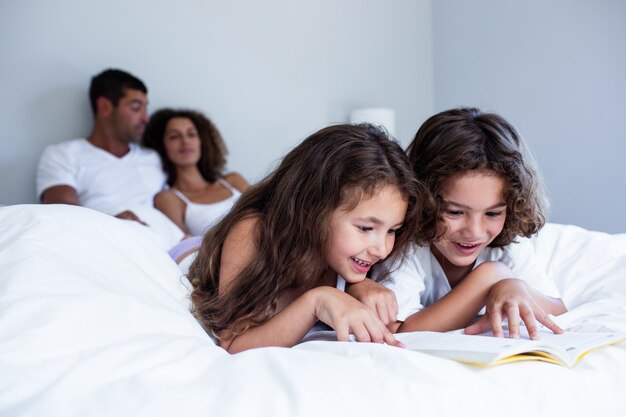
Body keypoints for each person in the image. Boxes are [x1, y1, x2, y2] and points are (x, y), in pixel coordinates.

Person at [187, 124, 436, 353]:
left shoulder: (355, 258)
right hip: (192, 253)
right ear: (312, 210)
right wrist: (317, 300)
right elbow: (233, 343)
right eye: (364, 228)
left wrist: (356, 286)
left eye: (392, 230)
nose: (382, 250)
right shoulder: (253, 233)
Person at [348, 107, 567, 340]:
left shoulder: (508, 247)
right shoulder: (407, 248)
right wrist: (489, 278)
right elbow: (400, 330)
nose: (474, 232)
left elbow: (558, 310)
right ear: (423, 198)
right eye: (454, 212)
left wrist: (516, 288)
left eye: (493, 213)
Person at [36, 68, 183, 248]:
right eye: (136, 108)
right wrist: (110, 222)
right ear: (105, 107)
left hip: (169, 244)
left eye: (146, 108)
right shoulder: (63, 154)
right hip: (107, 242)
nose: (145, 118)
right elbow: (62, 209)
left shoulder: (153, 157)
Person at [142, 109, 249, 237]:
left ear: (201, 141)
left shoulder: (233, 181)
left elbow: (269, 212)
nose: (185, 141)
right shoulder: (169, 199)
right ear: (162, 146)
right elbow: (185, 246)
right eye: (174, 136)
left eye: (191, 134)